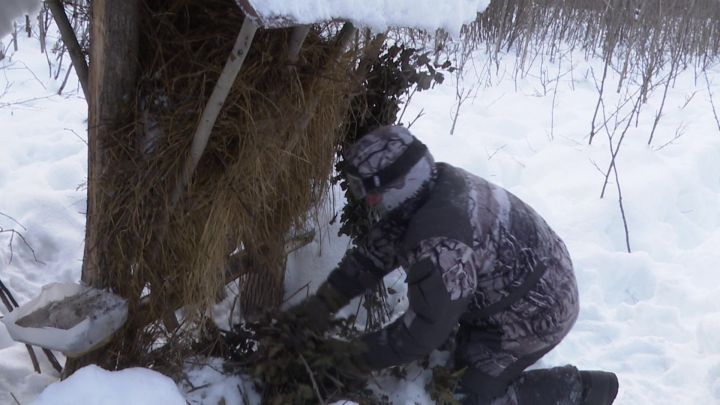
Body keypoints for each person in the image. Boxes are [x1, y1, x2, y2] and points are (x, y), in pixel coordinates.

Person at [290, 125, 619, 404]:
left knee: (467, 396)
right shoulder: (429, 188)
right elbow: (373, 256)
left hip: (539, 310)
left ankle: (584, 389)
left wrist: (346, 359)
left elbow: (423, 333)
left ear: (401, 183)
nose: (369, 201)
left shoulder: (441, 242)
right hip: (519, 280)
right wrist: (320, 306)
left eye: (372, 192)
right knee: (450, 355)